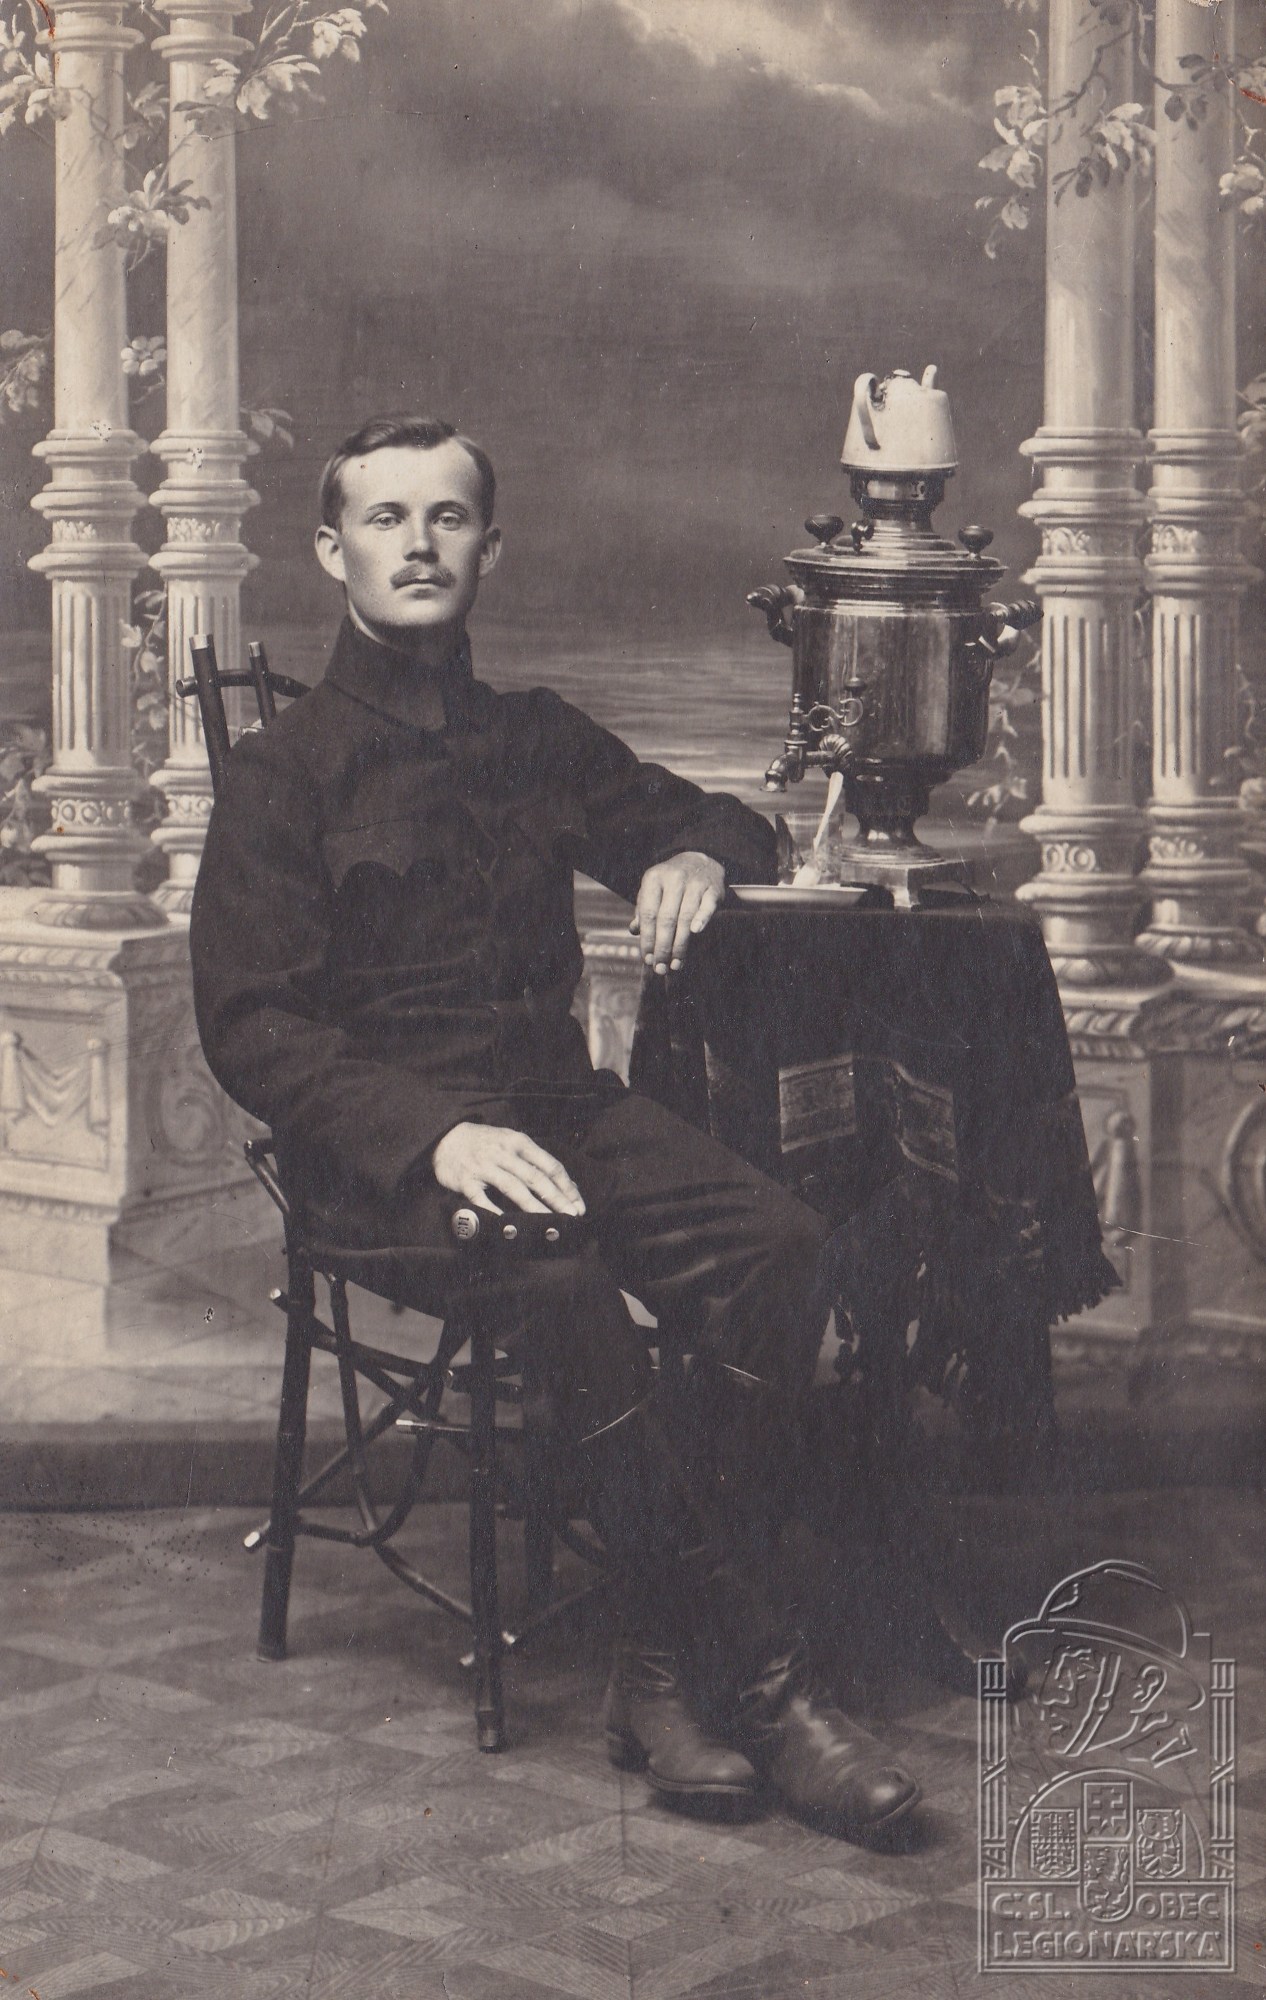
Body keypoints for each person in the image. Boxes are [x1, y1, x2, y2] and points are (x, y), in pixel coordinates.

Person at [189, 414, 921, 1838]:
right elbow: (254, 1026)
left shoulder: (536, 737)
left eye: (448, 517)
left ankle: (655, 1666)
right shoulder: (285, 774)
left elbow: (729, 819)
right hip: (390, 1161)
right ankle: (764, 1685)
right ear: (330, 551)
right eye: (386, 518)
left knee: (778, 1245)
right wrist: (434, 1138)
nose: (419, 544)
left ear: (491, 548)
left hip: (559, 1111)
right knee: (560, 1274)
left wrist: (694, 855)